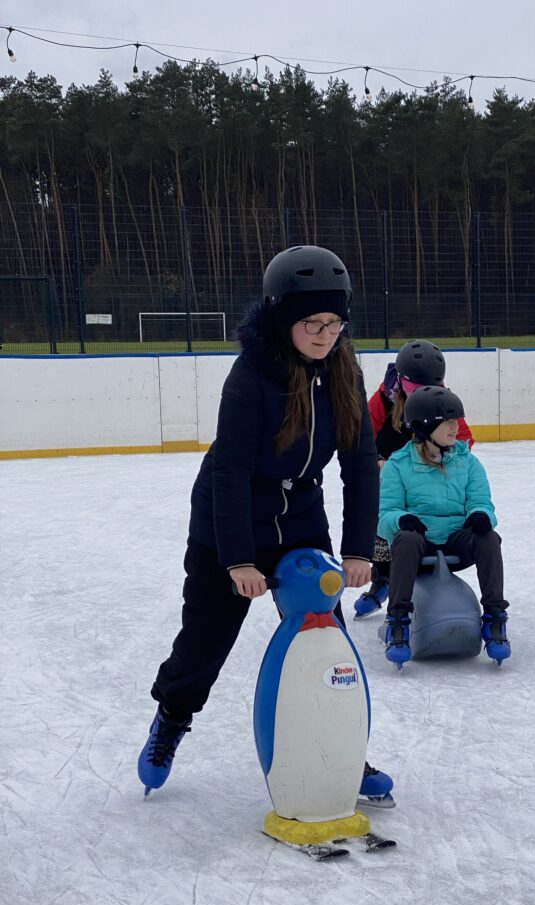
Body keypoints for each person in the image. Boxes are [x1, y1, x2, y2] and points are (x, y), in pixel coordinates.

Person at [138, 245, 394, 807]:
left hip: (300, 516)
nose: (325, 335)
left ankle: (344, 750)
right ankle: (171, 719)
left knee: (327, 638)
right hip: (229, 521)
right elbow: (228, 471)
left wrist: (357, 551)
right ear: (283, 318)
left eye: (335, 323)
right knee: (205, 644)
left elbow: (360, 466)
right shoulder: (251, 376)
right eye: (312, 324)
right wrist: (238, 560)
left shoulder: (345, 370)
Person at [377, 385, 509, 667]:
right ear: (424, 426)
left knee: (489, 538)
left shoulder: (468, 463)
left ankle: (495, 618)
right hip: (419, 543)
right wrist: (401, 519)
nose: (455, 426)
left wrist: (480, 515)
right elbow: (384, 516)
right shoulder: (398, 465)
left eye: (456, 419)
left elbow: (482, 502)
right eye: (447, 421)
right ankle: (398, 621)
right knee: (405, 539)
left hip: (456, 542)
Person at [354, 340, 474, 618]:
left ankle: (427, 564)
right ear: (402, 379)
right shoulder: (384, 398)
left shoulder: (442, 398)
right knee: (380, 511)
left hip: (428, 472)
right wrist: (377, 462)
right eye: (416, 389)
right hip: (389, 471)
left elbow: (464, 438)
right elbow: (361, 438)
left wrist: (446, 459)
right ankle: (382, 578)